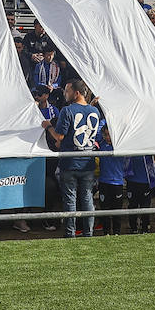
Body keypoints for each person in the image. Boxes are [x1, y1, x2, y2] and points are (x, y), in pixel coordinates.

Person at [46, 80, 100, 238]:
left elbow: (60, 137)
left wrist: (48, 126)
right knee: (87, 198)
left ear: (76, 93)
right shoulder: (94, 111)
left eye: (67, 91)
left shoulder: (67, 110)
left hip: (70, 162)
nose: (65, 93)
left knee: (70, 199)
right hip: (88, 162)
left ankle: (70, 234)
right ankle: (88, 233)